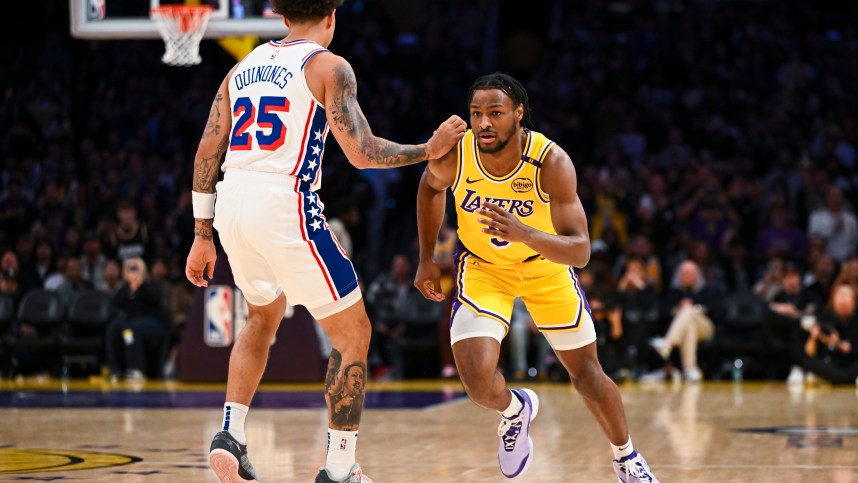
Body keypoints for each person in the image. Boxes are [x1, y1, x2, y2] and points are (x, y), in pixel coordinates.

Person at [183, 2, 466, 482]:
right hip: (283, 201)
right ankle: (339, 469)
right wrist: (428, 149)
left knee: (262, 316)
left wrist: (200, 234)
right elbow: (361, 152)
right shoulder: (329, 66)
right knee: (353, 334)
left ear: (281, 15)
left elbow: (209, 149)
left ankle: (232, 431)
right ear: (331, 17)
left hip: (231, 203)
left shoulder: (241, 69)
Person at [413, 73, 658, 482]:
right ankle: (515, 411)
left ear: (519, 114)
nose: (484, 123)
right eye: (477, 114)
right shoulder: (457, 153)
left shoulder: (551, 162)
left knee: (587, 376)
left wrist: (523, 233)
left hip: (545, 270)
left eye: (495, 113)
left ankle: (626, 458)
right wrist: (425, 257)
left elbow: (580, 251)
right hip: (484, 269)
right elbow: (429, 187)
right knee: (475, 380)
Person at [648, 260, 720, 382]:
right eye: (684, 272)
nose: (687, 275)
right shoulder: (673, 293)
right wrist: (679, 309)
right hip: (687, 329)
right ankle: (690, 370)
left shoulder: (708, 291)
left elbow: (716, 312)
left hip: (706, 328)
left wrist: (694, 308)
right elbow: (663, 312)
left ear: (698, 274)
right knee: (689, 327)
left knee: (688, 310)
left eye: (691, 272)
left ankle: (668, 342)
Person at [104, 257, 169, 381]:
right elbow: (115, 305)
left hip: (153, 322)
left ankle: (136, 369)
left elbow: (156, 300)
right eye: (130, 269)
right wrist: (132, 289)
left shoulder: (151, 285)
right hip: (131, 323)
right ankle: (115, 369)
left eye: (136, 269)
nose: (133, 272)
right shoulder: (124, 290)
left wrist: (140, 286)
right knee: (113, 328)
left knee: (130, 330)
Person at [801, 283, 858, 385]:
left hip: (852, 363)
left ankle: (835, 379)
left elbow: (851, 349)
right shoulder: (826, 319)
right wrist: (813, 338)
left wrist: (838, 344)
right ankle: (842, 379)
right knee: (808, 362)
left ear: (854, 301)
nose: (842, 299)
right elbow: (810, 353)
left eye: (845, 295)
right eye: (839, 295)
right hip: (833, 364)